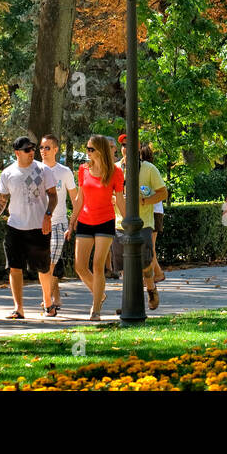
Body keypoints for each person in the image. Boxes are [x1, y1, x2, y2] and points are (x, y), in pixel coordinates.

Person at [0, 136, 57, 320]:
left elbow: (53, 196)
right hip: (15, 227)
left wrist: (48, 216)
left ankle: (48, 302)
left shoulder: (43, 170)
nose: (32, 152)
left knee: (43, 269)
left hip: (38, 227)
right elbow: (2, 201)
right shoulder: (7, 174)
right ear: (17, 153)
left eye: (32, 149)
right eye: (27, 150)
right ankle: (19, 308)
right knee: (14, 268)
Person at [67, 134, 126, 320]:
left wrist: (130, 222)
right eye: (87, 149)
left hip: (105, 220)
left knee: (98, 265)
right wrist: (72, 222)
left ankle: (95, 309)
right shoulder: (83, 169)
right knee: (80, 267)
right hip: (85, 220)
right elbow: (79, 199)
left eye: (91, 149)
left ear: (100, 150)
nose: (88, 152)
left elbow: (120, 200)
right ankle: (100, 293)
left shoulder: (115, 172)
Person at [108, 141, 167, 311]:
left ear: (138, 148)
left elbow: (163, 193)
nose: (127, 148)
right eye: (124, 145)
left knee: (146, 261)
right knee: (124, 266)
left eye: (130, 144)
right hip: (121, 223)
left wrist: (143, 200)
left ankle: (151, 289)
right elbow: (108, 193)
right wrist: (116, 200)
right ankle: (130, 302)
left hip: (143, 223)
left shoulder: (149, 169)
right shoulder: (115, 168)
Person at [38, 133, 76, 313]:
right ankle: (53, 297)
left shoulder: (64, 172)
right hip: (37, 224)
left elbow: (75, 199)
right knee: (46, 263)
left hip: (58, 223)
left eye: (47, 148)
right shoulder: (35, 170)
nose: (43, 151)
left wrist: (72, 223)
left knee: (50, 263)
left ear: (55, 149)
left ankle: (47, 300)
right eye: (41, 148)